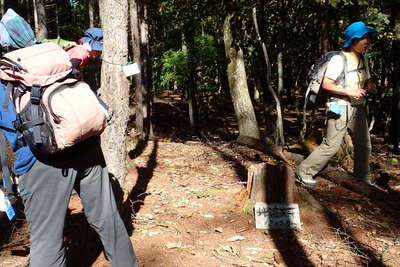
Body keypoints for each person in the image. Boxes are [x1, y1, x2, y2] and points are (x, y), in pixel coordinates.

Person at [0, 22, 138, 267]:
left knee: (47, 240)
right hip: (86, 147)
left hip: (41, 160)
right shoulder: (57, 56)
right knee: (108, 218)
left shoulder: (6, 74)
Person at [296, 21, 377, 186]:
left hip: (358, 107)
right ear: (353, 40)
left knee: (364, 145)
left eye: (368, 37)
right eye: (363, 37)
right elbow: (327, 84)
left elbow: (365, 79)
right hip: (339, 106)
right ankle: (303, 171)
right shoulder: (339, 59)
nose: (367, 41)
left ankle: (362, 179)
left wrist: (369, 86)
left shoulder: (363, 58)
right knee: (331, 145)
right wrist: (350, 92)